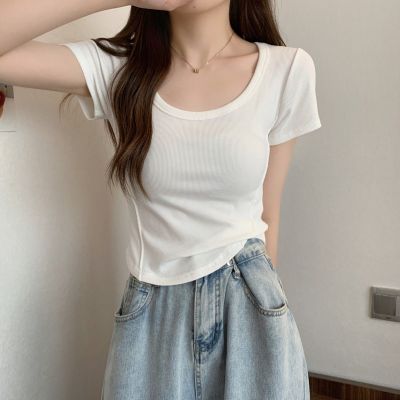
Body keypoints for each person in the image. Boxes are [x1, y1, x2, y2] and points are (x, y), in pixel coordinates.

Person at [1, 0, 322, 398]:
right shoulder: (119, 68)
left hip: (250, 301)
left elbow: (269, 214)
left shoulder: (286, 69)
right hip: (153, 309)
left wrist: (263, 312)